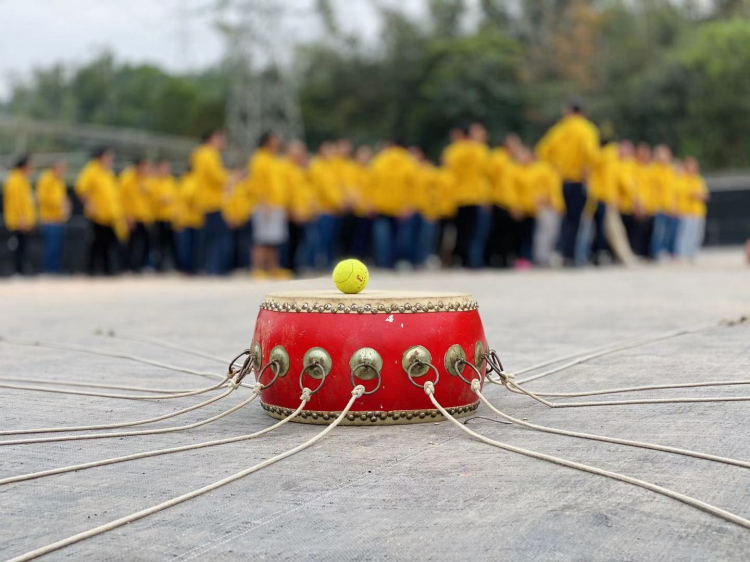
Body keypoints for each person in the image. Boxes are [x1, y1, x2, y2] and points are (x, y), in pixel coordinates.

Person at [536, 100, 600, 266]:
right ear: (582, 112)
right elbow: (591, 153)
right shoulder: (586, 129)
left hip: (562, 180)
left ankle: (563, 253)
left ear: (568, 112)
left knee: (565, 219)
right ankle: (570, 256)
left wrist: (557, 166)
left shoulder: (559, 130)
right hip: (579, 179)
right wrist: (587, 168)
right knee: (576, 219)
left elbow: (542, 151)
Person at [443, 124, 492, 268]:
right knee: (475, 232)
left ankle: (461, 260)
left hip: (458, 197)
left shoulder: (454, 150)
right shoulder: (481, 151)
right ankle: (473, 261)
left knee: (461, 232)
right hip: (475, 196)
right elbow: (487, 175)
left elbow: (448, 170)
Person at [75, 147, 126, 275]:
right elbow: (81, 188)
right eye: (108, 157)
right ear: (100, 157)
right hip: (97, 215)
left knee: (109, 244)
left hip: (110, 216)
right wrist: (89, 204)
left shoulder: (108, 173)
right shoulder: (91, 170)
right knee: (96, 244)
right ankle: (91, 270)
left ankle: (108, 270)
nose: (110, 160)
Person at [369, 140, 417, 269]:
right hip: (400, 207)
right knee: (399, 237)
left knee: (382, 238)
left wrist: (371, 202)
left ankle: (383, 263)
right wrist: (409, 205)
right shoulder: (408, 161)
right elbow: (413, 186)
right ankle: (396, 263)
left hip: (381, 205)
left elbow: (370, 183)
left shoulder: (379, 160)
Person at [248, 131, 288, 278]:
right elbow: (257, 184)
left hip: (276, 204)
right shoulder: (259, 159)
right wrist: (264, 203)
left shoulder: (273, 159)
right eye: (274, 140)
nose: (278, 143)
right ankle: (258, 268)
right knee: (262, 239)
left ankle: (273, 268)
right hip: (265, 205)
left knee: (274, 239)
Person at [486, 134, 522, 268]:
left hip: (508, 204)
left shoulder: (510, 161)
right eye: (515, 144)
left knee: (507, 235)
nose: (517, 147)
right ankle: (494, 261)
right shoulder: (498, 158)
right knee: (497, 234)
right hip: (498, 202)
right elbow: (489, 180)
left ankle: (504, 261)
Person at [309, 141, 343, 269]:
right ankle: (314, 263)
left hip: (333, 209)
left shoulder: (332, 167)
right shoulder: (317, 167)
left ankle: (329, 262)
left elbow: (337, 187)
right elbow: (322, 189)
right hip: (323, 209)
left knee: (331, 239)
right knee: (320, 238)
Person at [3, 155, 37, 275]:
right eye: (29, 167)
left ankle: (21, 269)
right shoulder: (15, 180)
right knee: (17, 247)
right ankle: (16, 270)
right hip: (18, 221)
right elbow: (16, 202)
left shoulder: (23, 180)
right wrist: (21, 219)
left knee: (23, 246)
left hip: (25, 221)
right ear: (23, 167)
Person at [118, 157, 153, 272]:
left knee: (146, 243)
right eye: (144, 166)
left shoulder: (146, 180)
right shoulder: (127, 179)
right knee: (130, 243)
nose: (146, 169)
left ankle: (141, 266)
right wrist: (126, 216)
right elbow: (122, 199)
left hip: (144, 217)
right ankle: (127, 266)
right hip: (132, 216)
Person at [36, 160, 70, 274]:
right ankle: (49, 270)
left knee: (58, 247)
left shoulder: (60, 182)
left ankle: (56, 270)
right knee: (51, 247)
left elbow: (63, 198)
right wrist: (59, 204)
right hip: (49, 219)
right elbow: (42, 198)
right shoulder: (46, 179)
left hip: (58, 219)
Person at [676, 157, 709, 261]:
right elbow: (689, 193)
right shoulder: (682, 179)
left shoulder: (698, 179)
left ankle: (692, 253)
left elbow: (705, 195)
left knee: (697, 234)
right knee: (685, 234)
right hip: (686, 211)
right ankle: (682, 253)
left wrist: (698, 195)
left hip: (698, 211)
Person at [149, 160, 179, 271]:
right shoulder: (152, 182)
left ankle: (167, 265)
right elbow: (149, 200)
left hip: (169, 218)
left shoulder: (171, 181)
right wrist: (161, 200)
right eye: (163, 168)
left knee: (169, 244)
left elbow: (176, 198)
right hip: (157, 218)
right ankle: (155, 265)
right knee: (157, 244)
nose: (166, 170)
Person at [173, 166, 204, 274]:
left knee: (186, 245)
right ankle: (189, 268)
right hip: (191, 219)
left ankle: (187, 267)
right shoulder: (192, 181)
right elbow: (190, 196)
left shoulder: (181, 182)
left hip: (184, 218)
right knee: (190, 246)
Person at [650, 145, 678, 260]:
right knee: (659, 232)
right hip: (660, 206)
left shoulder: (671, 170)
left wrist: (674, 205)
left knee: (669, 231)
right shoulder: (654, 170)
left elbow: (673, 190)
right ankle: (656, 252)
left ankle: (668, 251)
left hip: (670, 206)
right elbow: (655, 190)